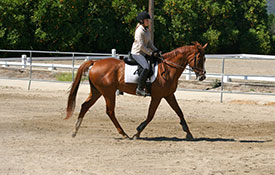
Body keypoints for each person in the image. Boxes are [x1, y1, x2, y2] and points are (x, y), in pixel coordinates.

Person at [131, 11, 161, 96]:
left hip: (143, 53)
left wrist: (156, 50)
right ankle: (139, 89)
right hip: (137, 53)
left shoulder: (147, 30)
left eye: (148, 20)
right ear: (141, 21)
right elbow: (141, 46)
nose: (148, 21)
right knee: (146, 67)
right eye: (147, 20)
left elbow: (149, 44)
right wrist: (151, 53)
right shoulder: (139, 31)